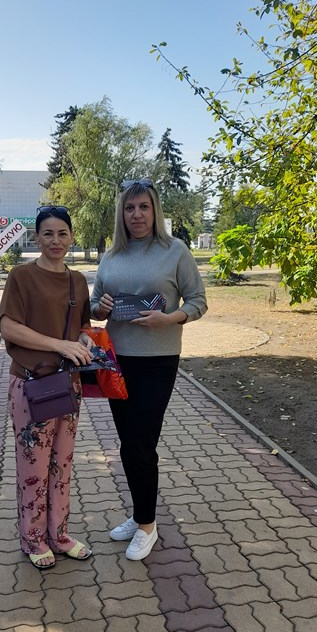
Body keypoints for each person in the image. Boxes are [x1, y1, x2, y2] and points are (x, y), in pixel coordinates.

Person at [90, 179, 207, 560]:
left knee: (142, 443)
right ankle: (140, 513)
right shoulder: (111, 256)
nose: (136, 214)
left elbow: (198, 301)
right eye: (129, 208)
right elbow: (94, 305)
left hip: (158, 361)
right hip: (117, 361)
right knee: (128, 443)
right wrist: (100, 308)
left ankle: (147, 526)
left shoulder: (175, 251)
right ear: (121, 213)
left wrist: (170, 319)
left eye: (143, 207)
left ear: (155, 210)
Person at [0, 205, 94, 569]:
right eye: (48, 234)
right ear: (36, 238)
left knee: (62, 464)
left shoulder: (77, 280)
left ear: (71, 237)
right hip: (31, 384)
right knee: (33, 468)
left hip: (67, 385)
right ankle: (33, 539)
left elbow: (83, 324)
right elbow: (8, 327)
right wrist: (59, 345)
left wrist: (83, 339)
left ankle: (59, 535)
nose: (56, 240)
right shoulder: (21, 276)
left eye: (62, 233)